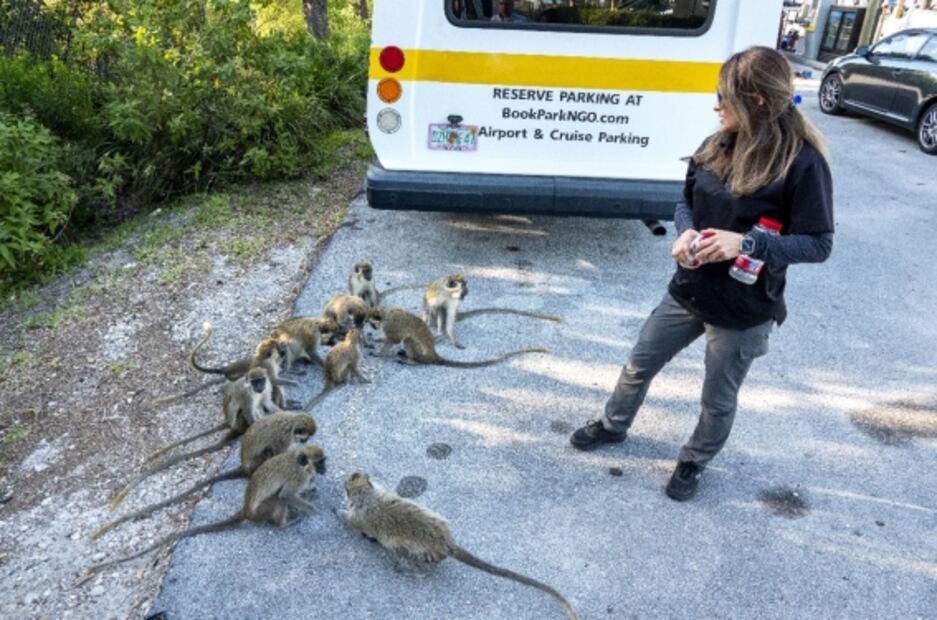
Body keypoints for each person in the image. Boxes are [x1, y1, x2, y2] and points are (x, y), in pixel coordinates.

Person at [569, 46, 834, 501]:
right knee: (639, 363)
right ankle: (614, 426)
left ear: (756, 103)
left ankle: (694, 460)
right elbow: (685, 203)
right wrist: (685, 234)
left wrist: (748, 243)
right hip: (688, 289)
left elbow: (818, 244)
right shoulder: (716, 144)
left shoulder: (802, 163)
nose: (715, 105)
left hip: (744, 309)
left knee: (717, 399)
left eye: (723, 97)